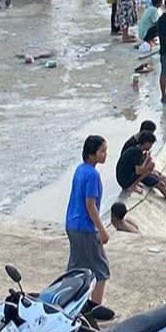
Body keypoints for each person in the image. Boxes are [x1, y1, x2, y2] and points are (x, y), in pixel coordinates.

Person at [64, 135, 114, 319]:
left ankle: (69, 304)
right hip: (85, 227)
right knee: (101, 269)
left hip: (72, 224)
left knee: (76, 268)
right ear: (92, 154)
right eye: (102, 151)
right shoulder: (93, 175)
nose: (105, 155)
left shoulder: (80, 170)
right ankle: (95, 310)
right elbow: (90, 205)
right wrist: (102, 230)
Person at [114, 130, 166, 210]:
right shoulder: (136, 152)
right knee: (161, 185)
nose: (151, 146)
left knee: (163, 178)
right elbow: (139, 171)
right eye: (151, 144)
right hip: (126, 181)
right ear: (146, 143)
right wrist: (148, 162)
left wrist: (148, 165)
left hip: (130, 175)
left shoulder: (137, 150)